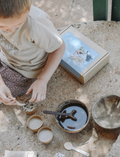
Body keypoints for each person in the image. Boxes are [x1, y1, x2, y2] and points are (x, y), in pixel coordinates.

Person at [0, 0, 65, 105]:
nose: (11, 31)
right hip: (4, 58)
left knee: (6, 96)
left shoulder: (36, 24)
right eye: (2, 27)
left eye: (19, 24)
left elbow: (59, 47)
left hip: (24, 72)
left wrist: (42, 80)